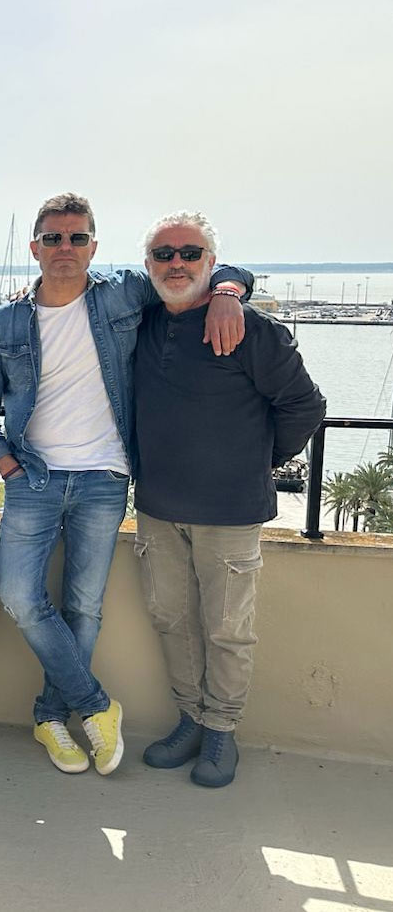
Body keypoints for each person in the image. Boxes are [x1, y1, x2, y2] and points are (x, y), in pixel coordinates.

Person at [0, 192, 253, 776]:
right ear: (35, 248)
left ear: (94, 246)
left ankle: (51, 717)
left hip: (104, 479)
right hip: (34, 478)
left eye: (77, 238)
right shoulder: (4, 323)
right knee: (19, 596)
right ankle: (97, 706)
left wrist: (227, 292)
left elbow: (195, 268)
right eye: (53, 238)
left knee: (83, 607)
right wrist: (5, 462)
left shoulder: (124, 294)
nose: (65, 248)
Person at [131, 211, 325, 787]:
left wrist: (260, 459)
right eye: (164, 254)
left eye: (191, 253)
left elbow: (305, 406)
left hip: (231, 512)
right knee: (171, 619)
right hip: (158, 508)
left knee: (226, 630)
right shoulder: (143, 320)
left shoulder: (251, 330)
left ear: (211, 263)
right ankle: (190, 719)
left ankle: (221, 729)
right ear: (148, 265)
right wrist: (227, 287)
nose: (177, 264)